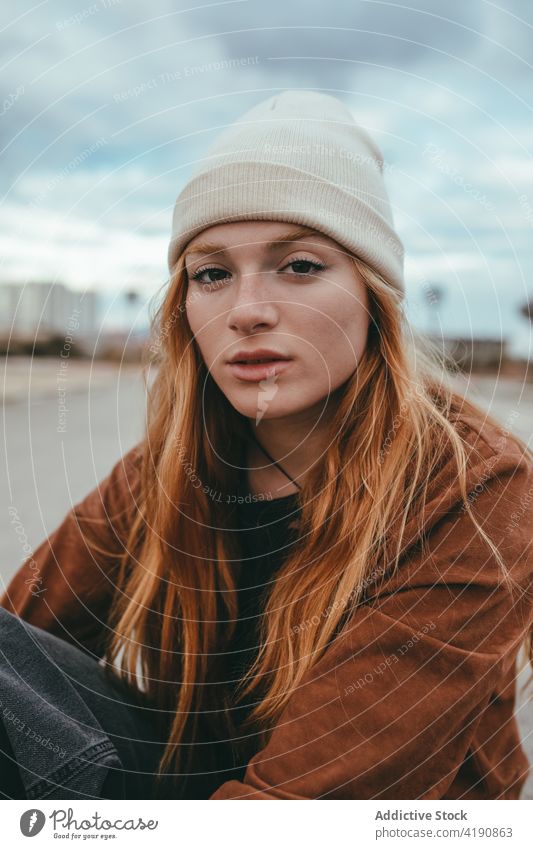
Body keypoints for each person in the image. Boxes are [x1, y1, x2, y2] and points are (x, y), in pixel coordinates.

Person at [1, 89, 533, 800]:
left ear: (373, 296)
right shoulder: (170, 469)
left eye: (301, 266)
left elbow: (298, 809)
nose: (247, 311)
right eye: (212, 274)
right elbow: (18, 653)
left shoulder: (476, 490)